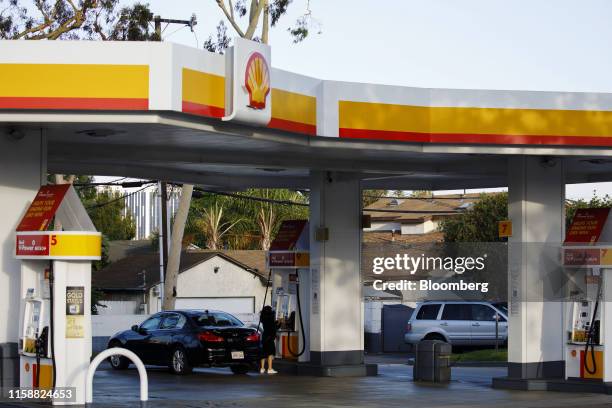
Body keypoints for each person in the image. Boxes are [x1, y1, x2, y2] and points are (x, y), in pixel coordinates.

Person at [259, 305, 278, 374]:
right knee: (270, 353)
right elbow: (274, 327)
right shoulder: (271, 317)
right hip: (269, 337)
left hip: (264, 336)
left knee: (263, 353)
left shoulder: (263, 317)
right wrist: (279, 322)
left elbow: (268, 325)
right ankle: (270, 368)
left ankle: (262, 368)